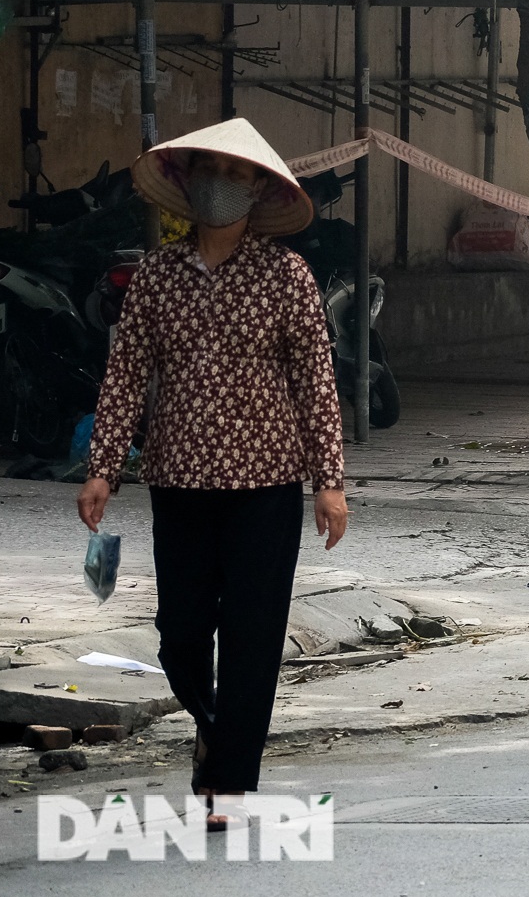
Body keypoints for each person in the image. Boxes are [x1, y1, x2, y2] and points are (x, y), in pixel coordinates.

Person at [77, 119, 348, 828]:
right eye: (204, 170)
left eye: (231, 174)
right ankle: (210, 719)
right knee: (181, 631)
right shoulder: (159, 275)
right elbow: (127, 373)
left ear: (257, 188)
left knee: (255, 636)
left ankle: (228, 781)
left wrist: (329, 479)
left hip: (266, 483)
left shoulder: (285, 275)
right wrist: (102, 467)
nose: (215, 186)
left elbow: (317, 381)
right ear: (185, 182)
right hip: (181, 480)